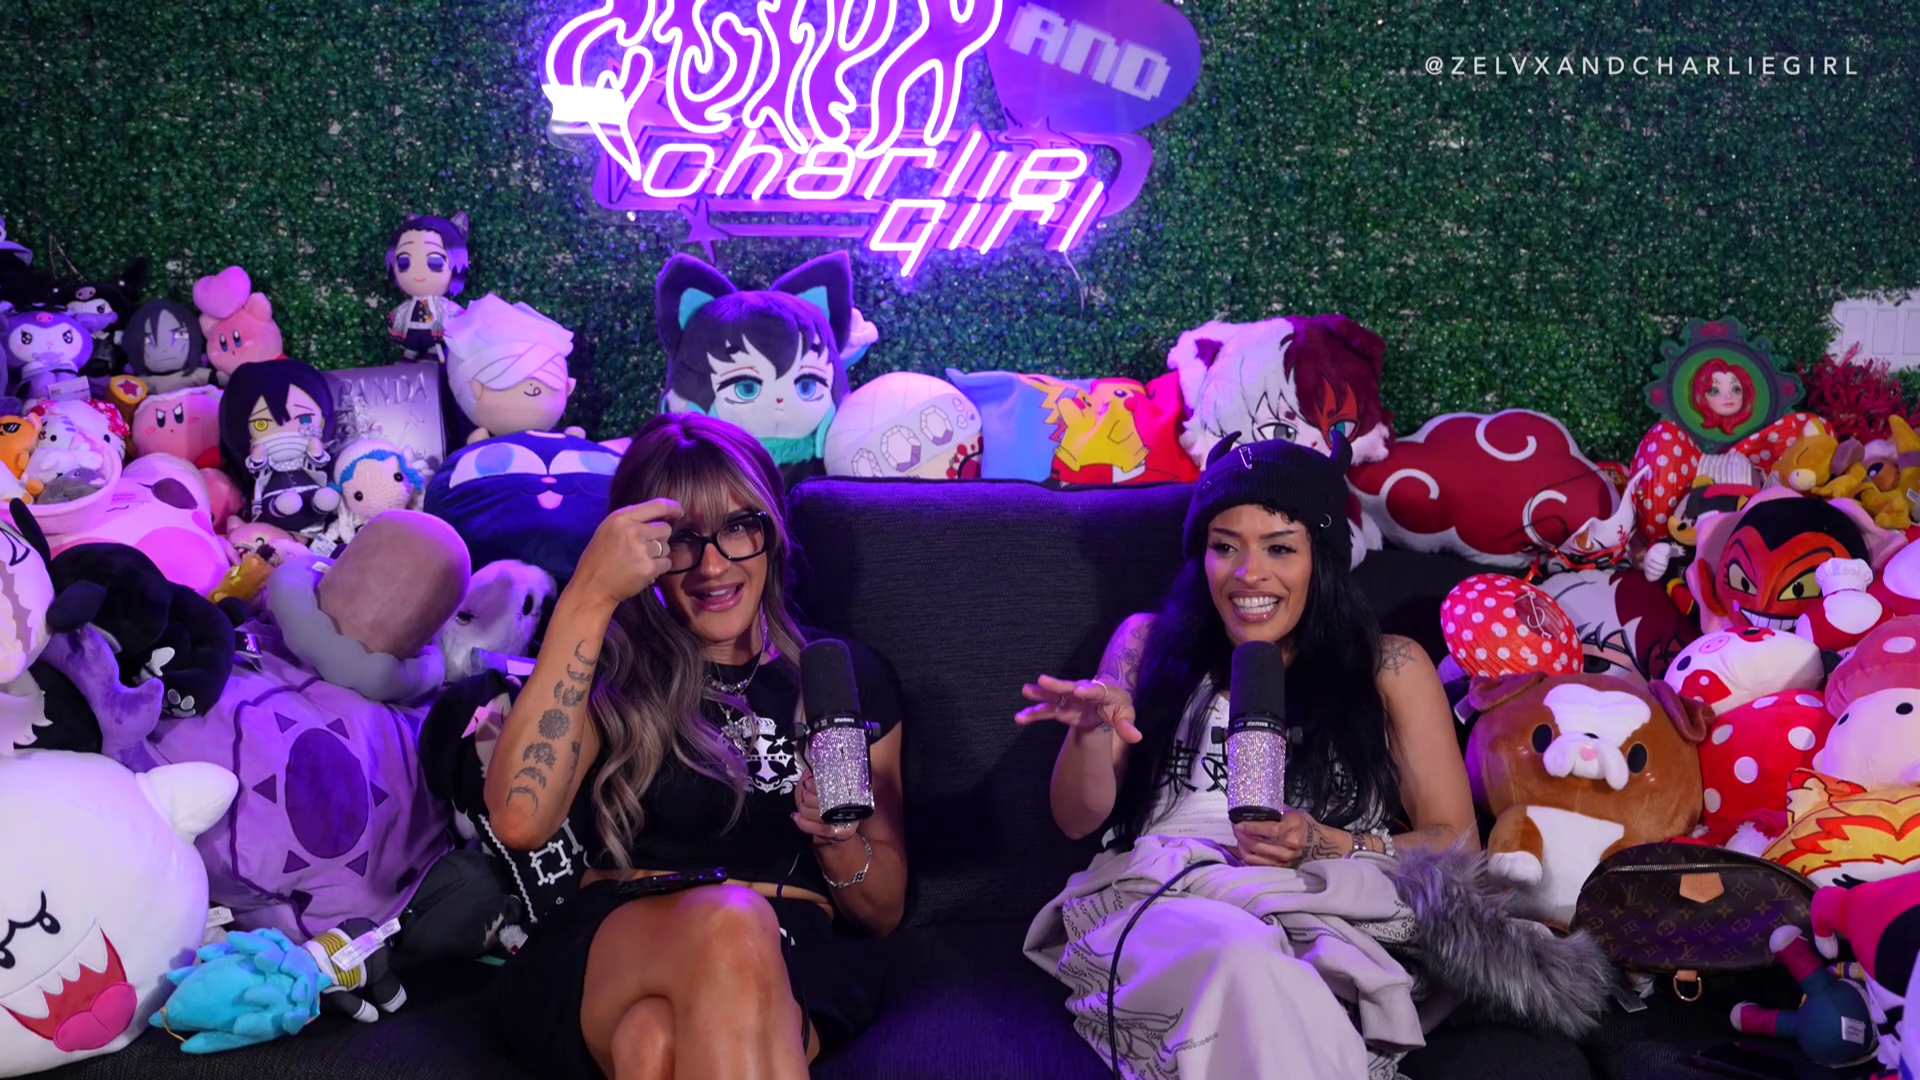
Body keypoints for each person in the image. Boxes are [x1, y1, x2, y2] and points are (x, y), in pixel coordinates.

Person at [1017, 434, 1478, 1079]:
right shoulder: (1145, 643)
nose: (1247, 574)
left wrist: (1325, 843)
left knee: (1273, 973)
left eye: (1280, 548)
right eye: (1225, 546)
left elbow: (1457, 845)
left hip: (1322, 911)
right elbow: (1075, 819)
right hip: (1170, 902)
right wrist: (1092, 733)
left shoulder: (1391, 666)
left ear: (1322, 559)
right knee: (1243, 956)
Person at [486, 412, 907, 1080]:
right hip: (620, 943)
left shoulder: (836, 676)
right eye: (681, 540)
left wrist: (838, 841)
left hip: (794, 954)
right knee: (732, 923)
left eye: (739, 527)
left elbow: (883, 912)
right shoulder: (609, 668)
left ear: (773, 532)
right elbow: (518, 820)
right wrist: (589, 595)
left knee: (651, 1043)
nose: (712, 566)